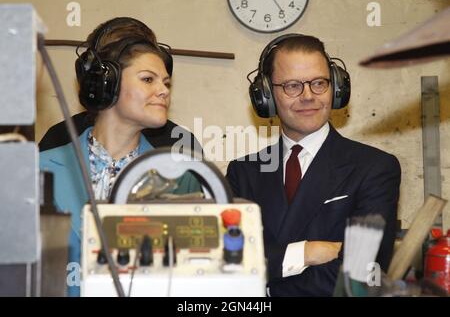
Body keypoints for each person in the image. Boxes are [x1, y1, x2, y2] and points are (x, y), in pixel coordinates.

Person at [226, 34, 401, 296]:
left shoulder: (375, 168)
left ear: (337, 88)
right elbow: (230, 265)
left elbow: (362, 273)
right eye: (293, 86)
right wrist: (307, 252)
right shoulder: (243, 173)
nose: (308, 96)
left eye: (319, 83)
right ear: (266, 95)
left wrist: (267, 287)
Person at [40, 17, 201, 296]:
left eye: (166, 83)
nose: (163, 90)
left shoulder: (181, 178)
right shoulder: (38, 169)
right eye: (148, 79)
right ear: (107, 84)